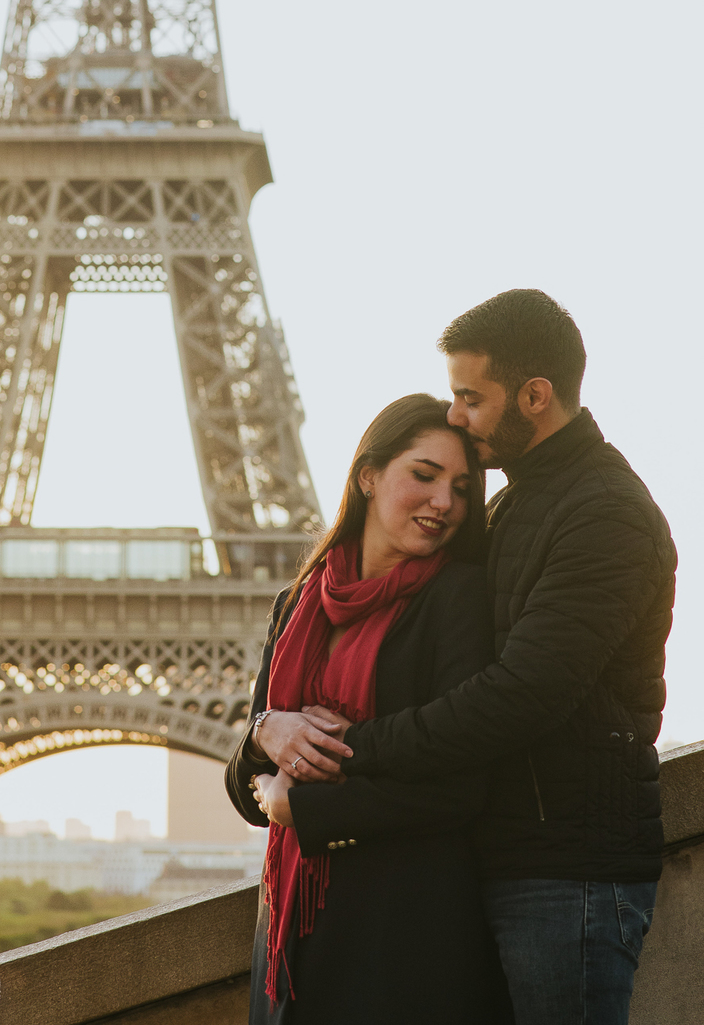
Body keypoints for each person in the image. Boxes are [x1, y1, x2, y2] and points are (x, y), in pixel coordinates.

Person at [268, 290, 677, 1025]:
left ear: (535, 396)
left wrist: (347, 746)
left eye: (470, 397)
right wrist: (267, 728)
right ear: (368, 476)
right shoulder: (510, 509)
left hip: (566, 873)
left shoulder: (605, 513)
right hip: (501, 861)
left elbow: (520, 695)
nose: (456, 415)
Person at [226, 393, 508, 1024]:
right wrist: (266, 731)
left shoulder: (457, 598)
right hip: (290, 947)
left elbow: (460, 788)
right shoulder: (297, 602)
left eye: (462, 488)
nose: (444, 501)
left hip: (401, 941)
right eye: (425, 475)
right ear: (368, 476)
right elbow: (244, 787)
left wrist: (303, 808)